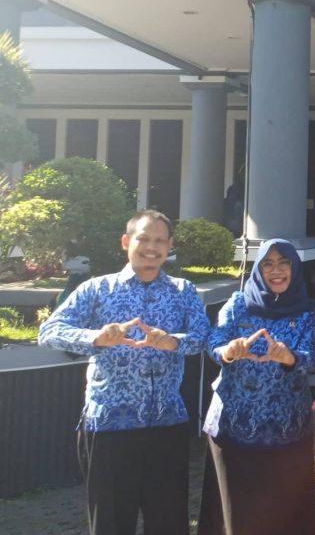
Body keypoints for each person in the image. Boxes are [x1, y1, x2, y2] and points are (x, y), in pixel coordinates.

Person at [38, 210, 211, 535]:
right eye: (143, 239)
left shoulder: (183, 291)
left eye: (160, 241)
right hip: (109, 427)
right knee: (111, 524)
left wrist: (172, 341)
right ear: (126, 241)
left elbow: (203, 337)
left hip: (167, 425)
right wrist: (96, 337)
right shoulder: (97, 289)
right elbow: (49, 331)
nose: (151, 248)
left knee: (169, 523)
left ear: (169, 246)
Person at [198, 239, 315, 535]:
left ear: (295, 268)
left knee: (285, 519)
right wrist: (229, 350)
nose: (276, 271)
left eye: (284, 263)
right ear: (258, 269)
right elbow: (214, 341)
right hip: (233, 430)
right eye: (268, 264)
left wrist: (289, 357)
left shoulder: (309, 312)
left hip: (288, 432)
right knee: (238, 518)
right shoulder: (238, 303)